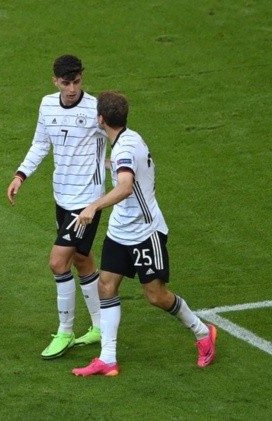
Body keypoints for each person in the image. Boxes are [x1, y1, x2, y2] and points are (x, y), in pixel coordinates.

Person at [72, 91, 217, 376]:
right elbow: (128, 172)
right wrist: (104, 164)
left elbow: (126, 185)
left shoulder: (124, 148)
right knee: (106, 286)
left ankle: (203, 333)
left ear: (101, 118)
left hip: (144, 232)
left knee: (156, 296)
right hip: (120, 230)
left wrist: (93, 206)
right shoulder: (129, 139)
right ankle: (108, 359)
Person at [7, 55, 106, 359]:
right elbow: (40, 143)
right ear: (55, 81)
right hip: (61, 197)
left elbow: (118, 139)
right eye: (66, 82)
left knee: (57, 262)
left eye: (77, 81)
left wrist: (122, 177)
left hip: (87, 202)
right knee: (81, 260)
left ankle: (65, 330)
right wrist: (20, 174)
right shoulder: (47, 104)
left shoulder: (96, 109)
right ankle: (101, 326)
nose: (73, 88)